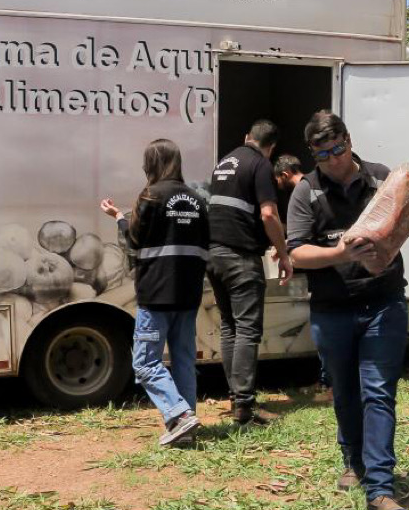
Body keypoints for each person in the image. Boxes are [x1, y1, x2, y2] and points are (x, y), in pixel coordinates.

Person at [286, 110, 409, 510]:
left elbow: (403, 220)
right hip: (332, 308)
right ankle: (353, 460)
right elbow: (297, 252)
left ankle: (380, 487)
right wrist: (340, 253)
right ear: (313, 154)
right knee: (345, 391)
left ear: (349, 141)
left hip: (383, 302)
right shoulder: (306, 191)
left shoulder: (380, 178)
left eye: (338, 149)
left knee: (378, 392)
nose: (333, 160)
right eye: (323, 154)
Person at [101, 139, 209, 447]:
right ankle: (184, 429)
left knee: (145, 362)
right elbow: (204, 246)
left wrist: (119, 218)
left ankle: (179, 414)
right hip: (188, 293)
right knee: (184, 359)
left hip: (156, 292)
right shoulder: (198, 199)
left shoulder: (151, 196)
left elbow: (134, 242)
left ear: (152, 164)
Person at [206, 120, 294, 426]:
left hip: (214, 255)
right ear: (270, 148)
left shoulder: (225, 162)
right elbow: (268, 214)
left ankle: (236, 399)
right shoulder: (260, 165)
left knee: (231, 326)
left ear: (247, 137)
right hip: (240, 257)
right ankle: (244, 407)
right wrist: (283, 253)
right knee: (247, 329)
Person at [273, 154, 304, 222]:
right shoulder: (315, 181)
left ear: (284, 175)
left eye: (278, 180)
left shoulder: (300, 194)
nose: (278, 184)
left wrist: (274, 223)